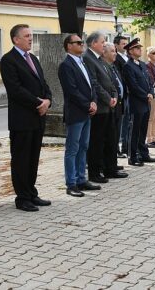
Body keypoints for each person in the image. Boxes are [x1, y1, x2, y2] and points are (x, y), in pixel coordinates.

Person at [0, 24, 53, 212]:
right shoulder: (8, 60)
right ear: (16, 39)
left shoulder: (33, 59)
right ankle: (22, 198)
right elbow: (15, 90)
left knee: (33, 158)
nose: (31, 38)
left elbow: (44, 83)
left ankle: (32, 193)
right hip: (22, 119)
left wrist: (48, 100)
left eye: (31, 35)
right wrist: (38, 103)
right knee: (21, 159)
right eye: (27, 36)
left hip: (37, 118)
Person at [58, 34, 100, 197]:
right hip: (76, 113)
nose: (82, 44)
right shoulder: (66, 65)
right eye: (78, 42)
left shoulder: (83, 62)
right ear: (69, 46)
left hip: (87, 112)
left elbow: (92, 85)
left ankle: (81, 179)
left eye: (82, 42)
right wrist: (87, 104)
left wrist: (94, 101)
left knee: (84, 146)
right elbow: (72, 91)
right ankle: (71, 183)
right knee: (72, 149)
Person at [83, 32, 126, 183]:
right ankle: (95, 173)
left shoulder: (100, 60)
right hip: (100, 107)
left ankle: (110, 169)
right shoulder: (88, 58)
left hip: (109, 106)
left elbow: (110, 81)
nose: (104, 44)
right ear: (94, 43)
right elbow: (95, 83)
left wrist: (114, 96)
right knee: (97, 142)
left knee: (110, 140)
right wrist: (108, 99)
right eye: (102, 42)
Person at [121, 38, 155, 165]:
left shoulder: (142, 64)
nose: (140, 50)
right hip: (136, 102)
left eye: (140, 48)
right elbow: (133, 85)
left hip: (146, 102)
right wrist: (145, 95)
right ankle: (133, 156)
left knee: (143, 129)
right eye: (137, 48)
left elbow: (149, 81)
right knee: (134, 130)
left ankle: (143, 153)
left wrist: (151, 92)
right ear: (130, 51)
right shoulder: (128, 66)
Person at [102, 42, 128, 177]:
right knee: (110, 138)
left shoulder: (113, 67)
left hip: (118, 105)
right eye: (112, 51)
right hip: (110, 106)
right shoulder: (103, 67)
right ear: (104, 53)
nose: (115, 54)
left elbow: (117, 85)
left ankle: (113, 163)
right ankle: (108, 167)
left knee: (115, 137)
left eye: (115, 51)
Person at [113, 36, 130, 157]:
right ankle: (118, 148)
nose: (125, 46)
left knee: (127, 122)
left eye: (126, 43)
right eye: (123, 43)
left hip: (128, 93)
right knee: (121, 123)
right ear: (116, 45)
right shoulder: (116, 58)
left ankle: (126, 146)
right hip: (121, 95)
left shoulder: (127, 57)